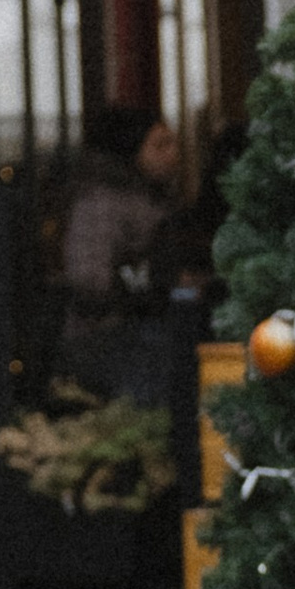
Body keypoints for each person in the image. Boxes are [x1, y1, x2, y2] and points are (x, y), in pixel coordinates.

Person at [55, 107, 179, 397]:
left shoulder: (145, 197)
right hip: (109, 336)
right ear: (131, 148)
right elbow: (89, 277)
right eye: (160, 145)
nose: (173, 153)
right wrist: (146, 285)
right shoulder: (103, 202)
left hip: (132, 331)